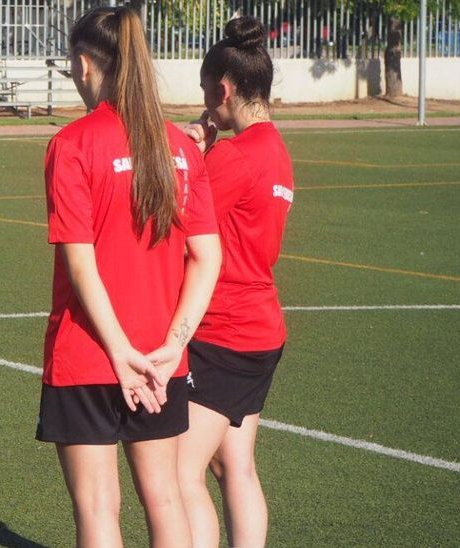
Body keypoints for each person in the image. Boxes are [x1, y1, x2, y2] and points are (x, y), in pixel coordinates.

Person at [38, 7, 222, 547]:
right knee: (164, 498)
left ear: (83, 64)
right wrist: (171, 346)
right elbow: (207, 257)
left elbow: (81, 260)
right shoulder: (183, 147)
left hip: (88, 353)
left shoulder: (73, 143)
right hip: (161, 361)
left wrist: (119, 352)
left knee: (98, 510)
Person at [177, 17, 293, 548]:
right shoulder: (275, 149)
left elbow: (179, 220)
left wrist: (192, 153)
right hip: (260, 329)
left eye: (207, 94)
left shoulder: (234, 157)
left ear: (222, 90)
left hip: (225, 332)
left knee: (180, 475)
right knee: (234, 466)